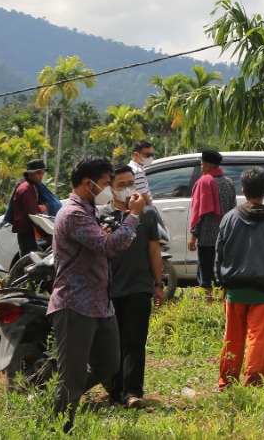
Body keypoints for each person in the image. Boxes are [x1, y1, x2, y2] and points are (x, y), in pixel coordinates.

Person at [47, 157, 146, 432]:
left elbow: (109, 247)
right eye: (104, 183)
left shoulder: (89, 209)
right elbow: (109, 244)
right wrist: (133, 215)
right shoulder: (73, 213)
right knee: (72, 376)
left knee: (108, 364)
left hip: (100, 303)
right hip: (75, 303)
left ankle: (56, 396)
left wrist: (115, 234)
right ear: (87, 183)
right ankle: (59, 427)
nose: (109, 189)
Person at [215, 167, 264, 390]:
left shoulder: (229, 218)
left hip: (234, 288)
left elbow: (219, 254)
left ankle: (227, 382)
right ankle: (253, 383)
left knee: (233, 336)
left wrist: (221, 282)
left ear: (243, 189)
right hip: (263, 289)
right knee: (258, 338)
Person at [99, 165, 166, 408]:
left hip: (139, 287)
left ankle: (132, 393)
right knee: (113, 343)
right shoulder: (102, 216)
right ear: (111, 188)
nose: (127, 189)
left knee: (135, 341)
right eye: (121, 185)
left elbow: (154, 250)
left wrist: (158, 284)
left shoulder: (147, 214)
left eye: (131, 183)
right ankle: (115, 392)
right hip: (110, 289)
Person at [189, 151, 236, 302]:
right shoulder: (228, 182)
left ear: (208, 165)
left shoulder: (204, 182)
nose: (201, 166)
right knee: (222, 270)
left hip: (207, 236)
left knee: (205, 271)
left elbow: (200, 212)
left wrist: (193, 235)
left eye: (202, 164)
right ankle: (224, 302)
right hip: (225, 236)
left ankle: (208, 301)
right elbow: (233, 208)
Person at [9, 159, 48, 257]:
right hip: (25, 231)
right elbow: (34, 215)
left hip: (29, 230)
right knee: (29, 260)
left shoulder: (32, 186)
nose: (41, 176)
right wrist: (47, 235)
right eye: (38, 173)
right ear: (30, 173)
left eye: (42, 173)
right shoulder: (26, 189)